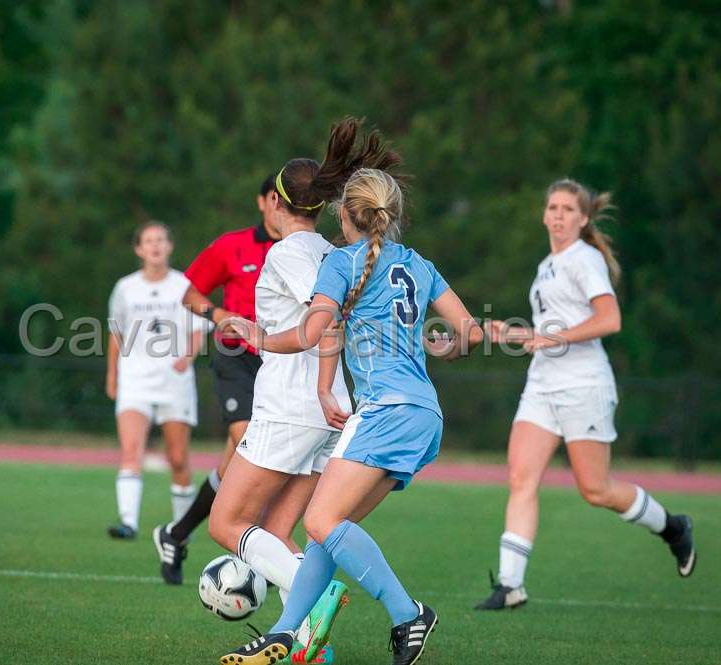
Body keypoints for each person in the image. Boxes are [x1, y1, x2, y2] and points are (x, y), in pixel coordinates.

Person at [220, 119, 483, 665]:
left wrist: (260, 335)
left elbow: (315, 331)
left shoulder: (341, 262)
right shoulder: (417, 263)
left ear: (345, 215)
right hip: (424, 415)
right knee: (327, 530)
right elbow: (471, 332)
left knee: (318, 521)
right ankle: (287, 633)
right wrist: (442, 348)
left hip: (383, 411)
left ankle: (408, 612)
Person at [475, 179, 695, 611]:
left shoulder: (584, 259)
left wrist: (554, 340)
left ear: (584, 218)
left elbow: (610, 320)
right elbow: (548, 333)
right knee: (521, 478)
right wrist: (514, 334)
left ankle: (673, 527)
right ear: (543, 215)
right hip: (542, 384)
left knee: (596, 490)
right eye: (552, 207)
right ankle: (510, 584)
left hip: (583, 385)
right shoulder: (546, 265)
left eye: (567, 209)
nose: (558, 215)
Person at [208, 137, 370, 663]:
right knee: (277, 530)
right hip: (328, 411)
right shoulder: (332, 250)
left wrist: (267, 345)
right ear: (320, 205)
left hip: (294, 406)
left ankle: (315, 597)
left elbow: (325, 323)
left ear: (276, 204)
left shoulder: (289, 251)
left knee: (226, 523)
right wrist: (264, 330)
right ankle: (307, 647)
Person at [153, 176, 281, 584]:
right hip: (234, 355)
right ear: (263, 201)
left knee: (236, 464)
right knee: (247, 439)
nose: (284, 208)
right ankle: (247, 543)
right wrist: (220, 316)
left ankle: (176, 532)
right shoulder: (232, 245)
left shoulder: (305, 250)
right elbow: (190, 295)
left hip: (281, 361)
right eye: (277, 199)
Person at [105, 221, 211, 540]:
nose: (155, 246)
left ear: (169, 246)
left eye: (161, 240)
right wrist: (112, 375)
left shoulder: (184, 286)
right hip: (135, 380)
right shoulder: (125, 288)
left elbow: (199, 330)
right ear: (138, 249)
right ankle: (128, 522)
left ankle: (182, 527)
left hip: (173, 381)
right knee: (131, 449)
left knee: (177, 458)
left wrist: (186, 358)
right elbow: (115, 334)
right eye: (148, 241)